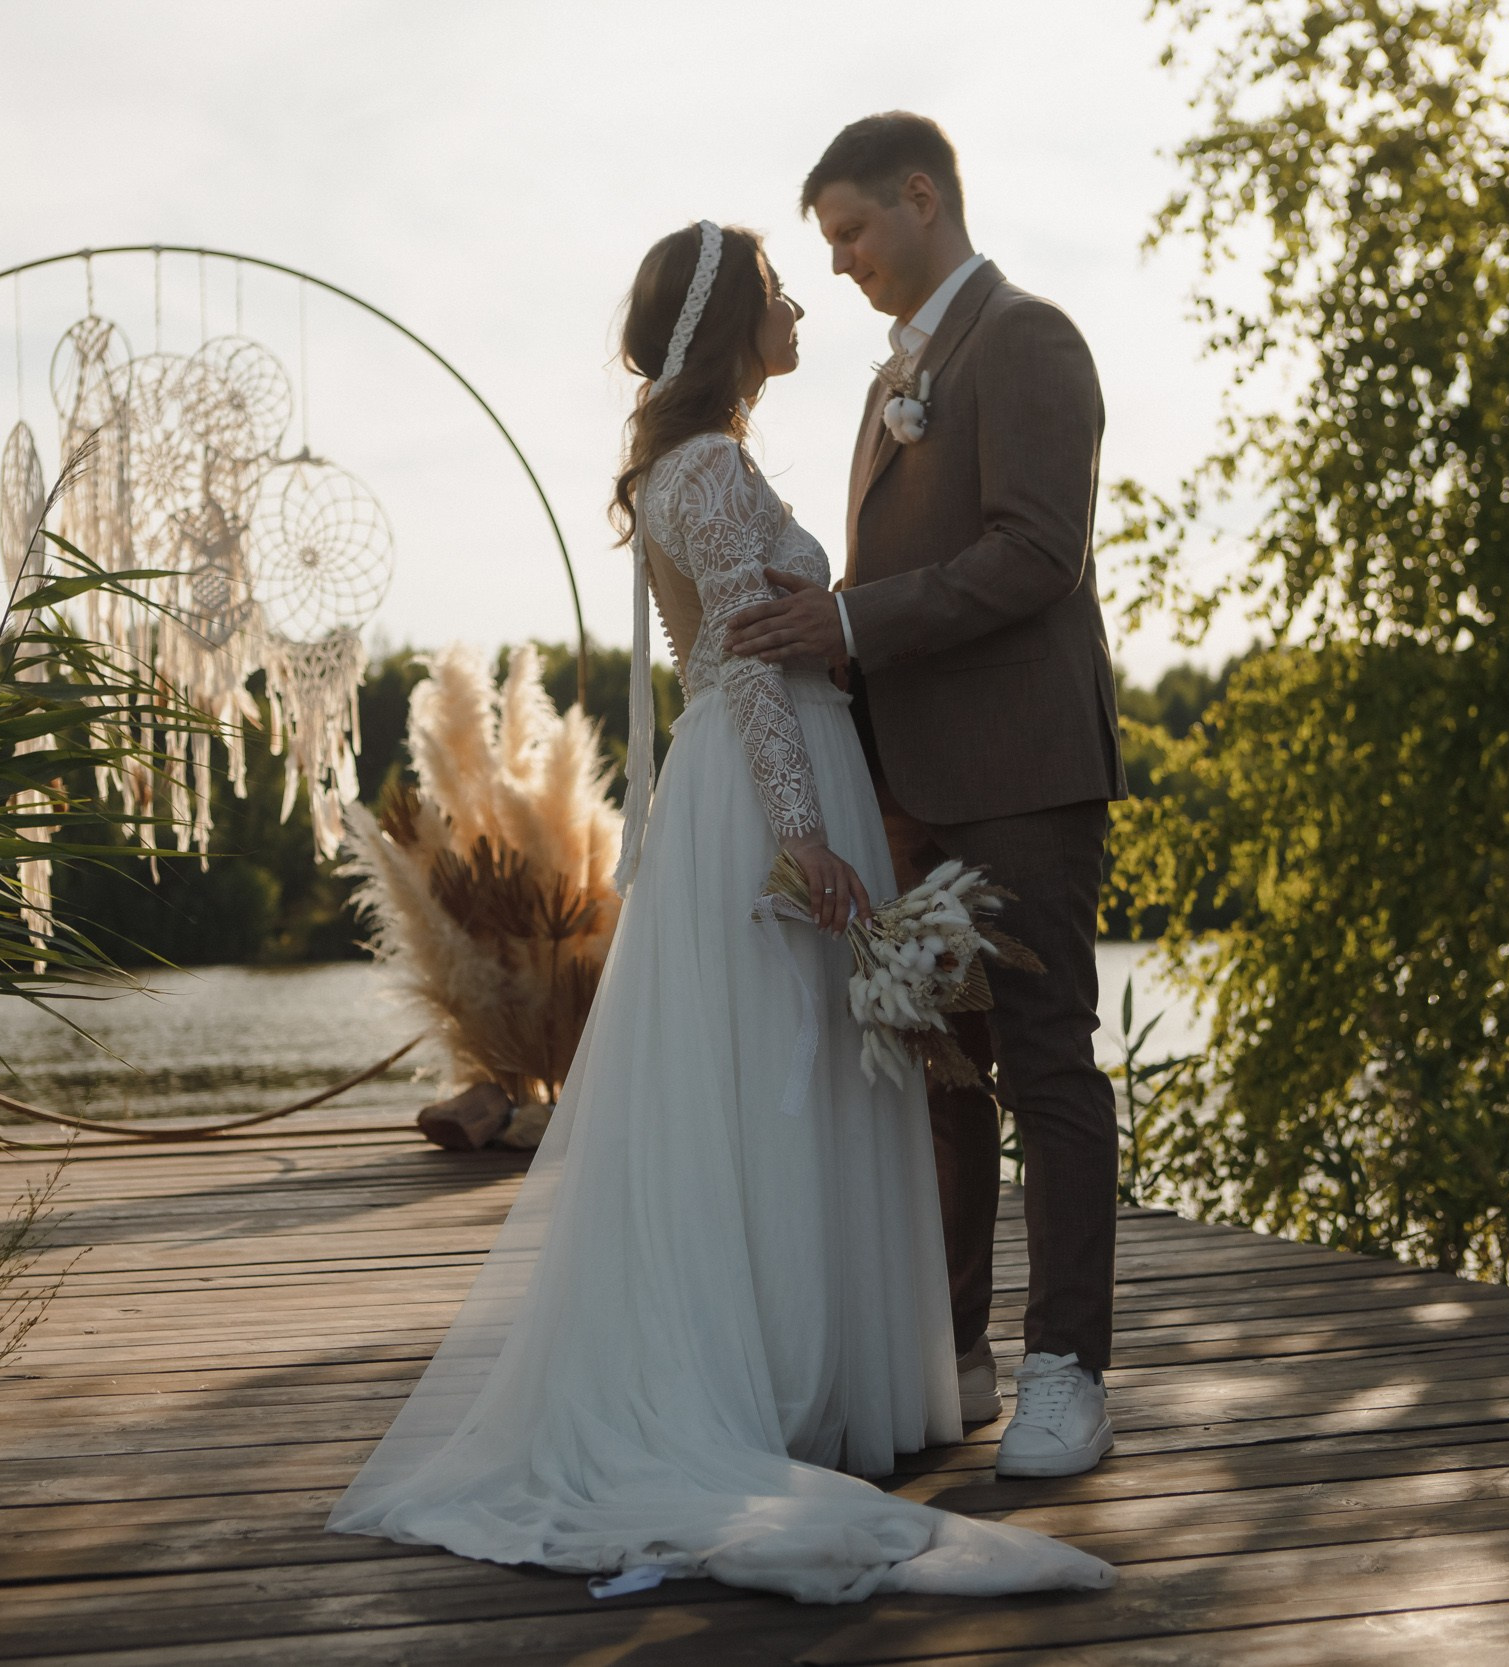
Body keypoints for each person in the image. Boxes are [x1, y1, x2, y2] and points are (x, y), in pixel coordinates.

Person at [325, 218, 1113, 1604]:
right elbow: (748, 669)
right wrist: (806, 841)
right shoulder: (706, 471)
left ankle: (833, 1375)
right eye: (775, 292)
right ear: (725, 327)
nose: (801, 305)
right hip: (771, 798)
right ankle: (787, 1387)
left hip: (779, 789)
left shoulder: (693, 463)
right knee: (789, 1084)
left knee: (800, 1079)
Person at [725, 112, 1128, 1480]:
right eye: (825, 242)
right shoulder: (889, 380)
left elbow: (1035, 557)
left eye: (850, 231)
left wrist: (851, 619)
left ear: (921, 194)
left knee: (1044, 1061)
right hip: (913, 787)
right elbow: (887, 586)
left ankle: (1070, 1370)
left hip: (1024, 773)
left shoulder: (1028, 341)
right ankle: (954, 1351)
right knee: (943, 1078)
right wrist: (821, 613)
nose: (838, 264)